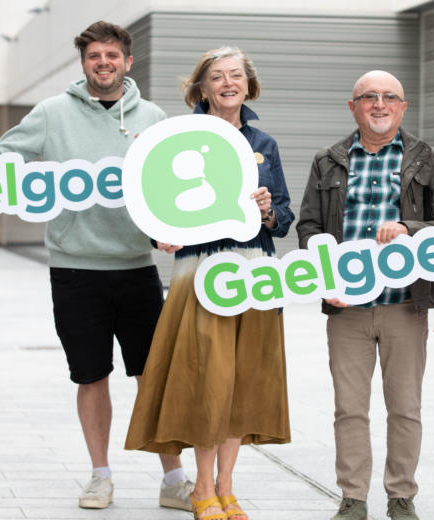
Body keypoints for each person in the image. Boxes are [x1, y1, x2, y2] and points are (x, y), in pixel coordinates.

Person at [0, 21, 193, 512]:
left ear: (128, 61)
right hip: (74, 268)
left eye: (111, 55)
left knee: (154, 376)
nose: (102, 63)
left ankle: (174, 480)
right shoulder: (51, 113)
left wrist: (170, 230)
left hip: (134, 268)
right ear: (83, 64)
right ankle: (100, 476)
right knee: (91, 376)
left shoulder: (153, 116)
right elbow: (1, 156)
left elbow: (171, 184)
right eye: (93, 57)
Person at [125, 46, 294, 520]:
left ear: (248, 84)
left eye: (235, 75)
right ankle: (201, 487)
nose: (227, 83)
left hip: (255, 270)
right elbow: (154, 206)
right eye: (217, 76)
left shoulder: (264, 144)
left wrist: (268, 210)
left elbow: (283, 219)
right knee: (208, 379)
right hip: (201, 271)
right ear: (201, 87)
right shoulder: (178, 139)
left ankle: (226, 486)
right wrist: (161, 234)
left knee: (243, 379)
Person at [296, 70, 434, 520]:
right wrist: (328, 279)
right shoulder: (328, 160)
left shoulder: (427, 158)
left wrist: (409, 229)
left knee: (405, 407)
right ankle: (354, 498)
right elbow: (308, 228)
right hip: (347, 309)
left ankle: (401, 497)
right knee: (349, 409)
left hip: (405, 303)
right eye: (368, 97)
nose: (379, 104)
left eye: (389, 97)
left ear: (403, 107)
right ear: (353, 107)